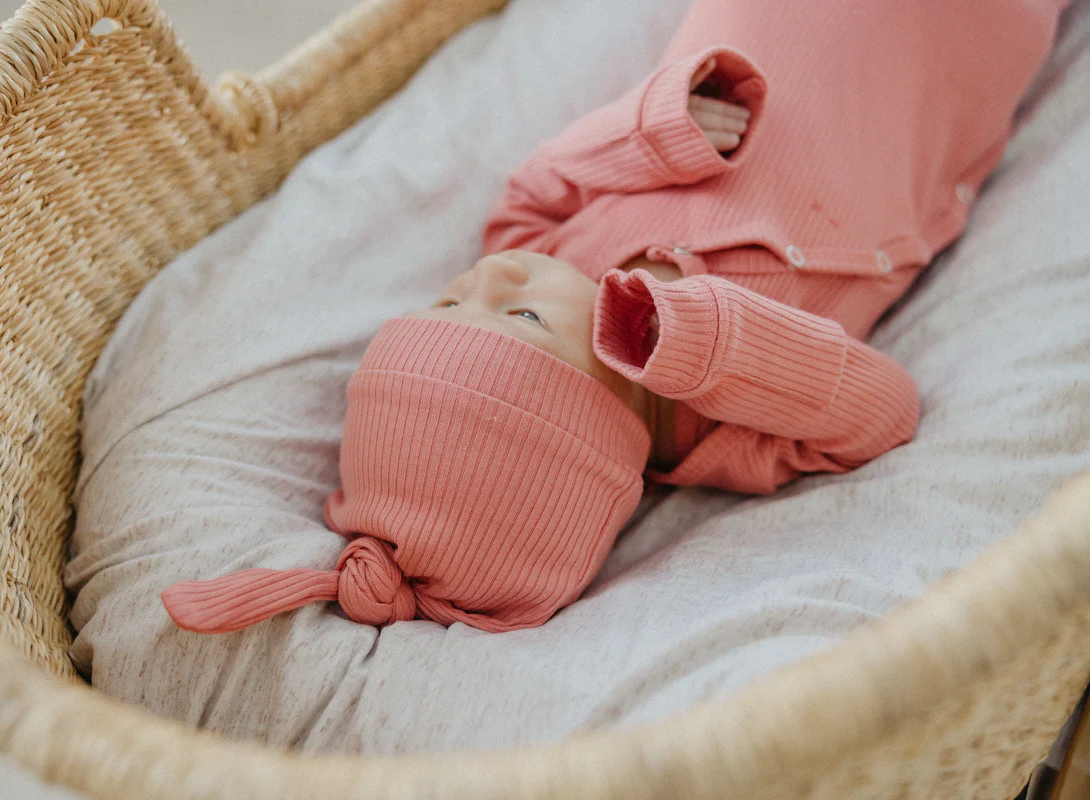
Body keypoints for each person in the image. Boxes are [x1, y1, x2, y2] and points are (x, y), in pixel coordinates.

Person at [161, 0, 1069, 635]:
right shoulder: (727, 436)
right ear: (595, 416)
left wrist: (658, 129)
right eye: (518, 315)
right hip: (955, 49)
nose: (494, 272)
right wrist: (711, 345)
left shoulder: (545, 249)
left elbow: (543, 182)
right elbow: (882, 409)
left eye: (447, 299)